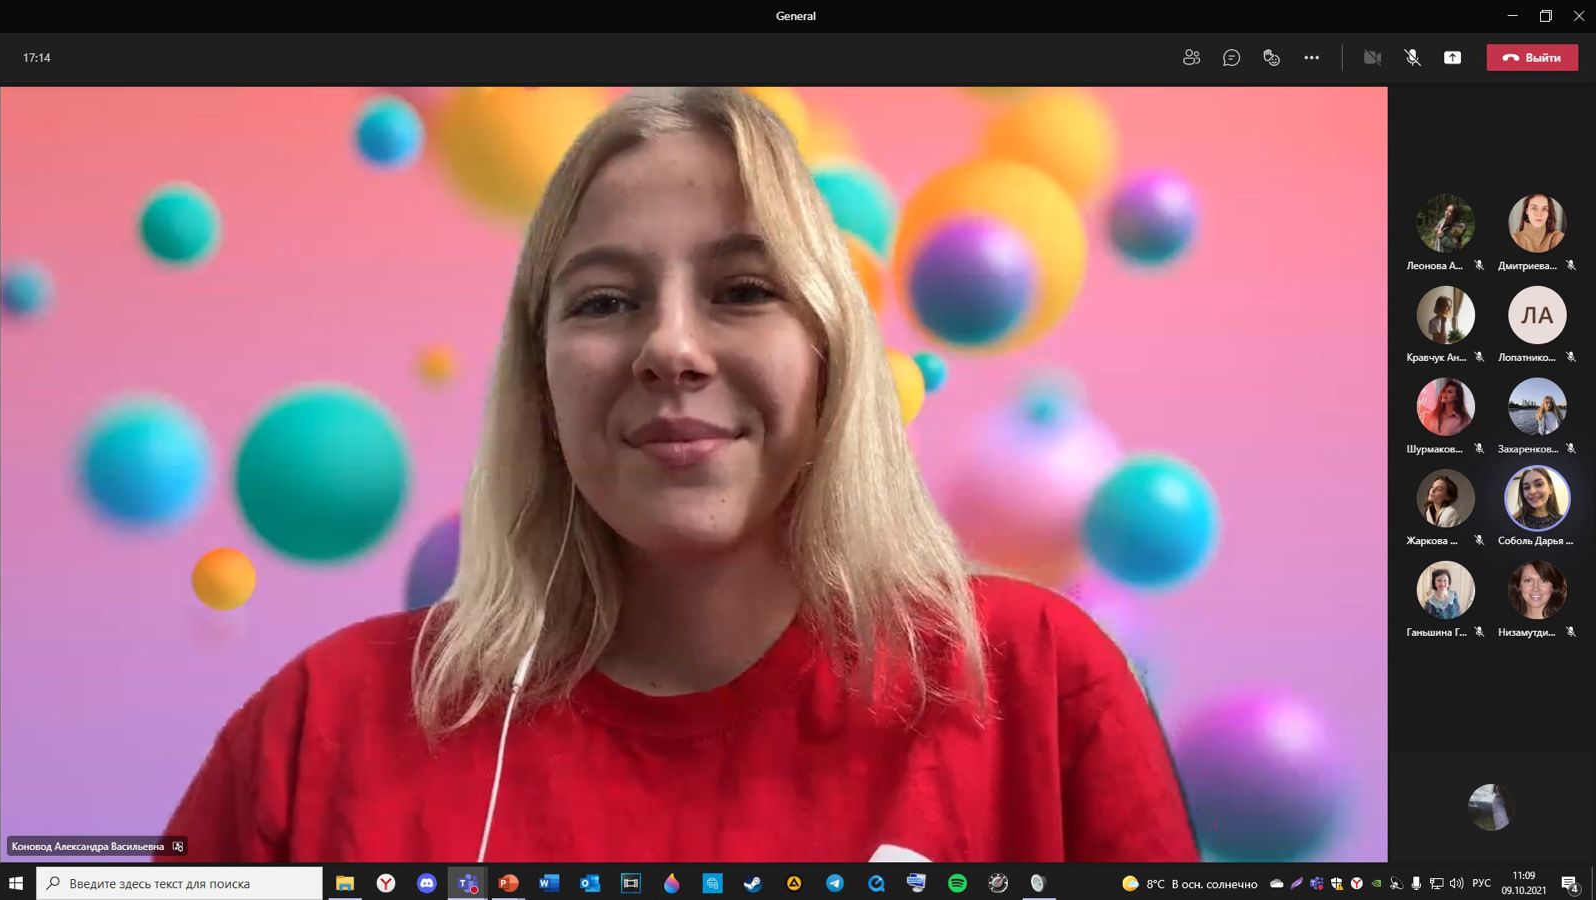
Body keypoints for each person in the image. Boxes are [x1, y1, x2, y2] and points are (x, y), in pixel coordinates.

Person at [156, 88, 1197, 863]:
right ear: (538, 378)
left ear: (831, 355)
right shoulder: (323, 728)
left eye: (743, 290)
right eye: (605, 302)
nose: (670, 349)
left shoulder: (1040, 685)